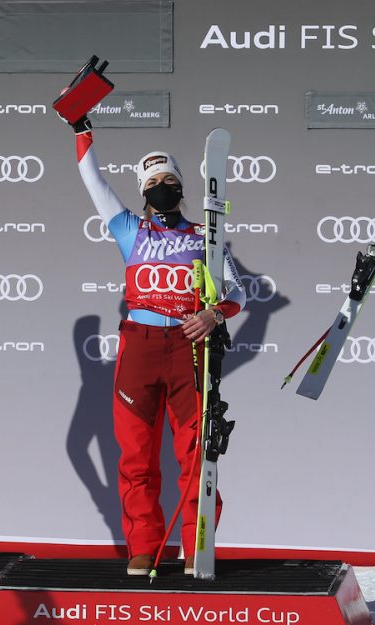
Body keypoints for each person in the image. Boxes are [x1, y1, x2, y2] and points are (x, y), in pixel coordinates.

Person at [64, 114, 246, 575]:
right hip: (140, 349)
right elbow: (92, 179)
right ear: (143, 191)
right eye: (153, 182)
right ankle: (143, 547)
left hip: (188, 348)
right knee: (137, 457)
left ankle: (194, 545)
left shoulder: (206, 236)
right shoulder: (130, 230)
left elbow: (238, 292)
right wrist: (81, 130)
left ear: (183, 188)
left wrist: (213, 314)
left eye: (169, 180)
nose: (161, 187)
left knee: (196, 454)